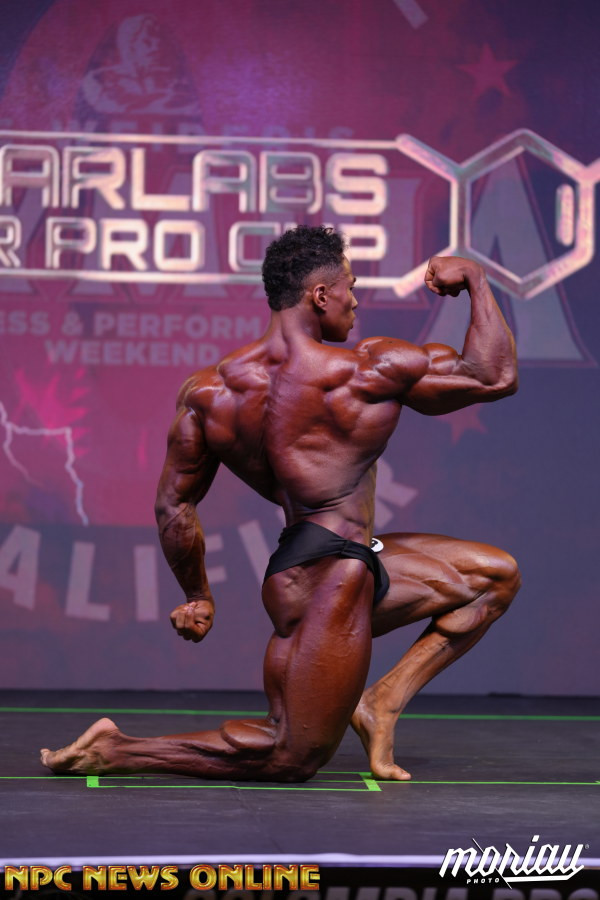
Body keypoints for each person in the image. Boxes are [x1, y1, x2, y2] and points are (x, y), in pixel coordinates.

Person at [41, 225, 521, 782]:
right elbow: (494, 374)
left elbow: (174, 505)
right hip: (325, 580)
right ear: (321, 295)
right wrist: (476, 279)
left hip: (339, 562)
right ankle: (118, 750)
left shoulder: (212, 391)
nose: (355, 301)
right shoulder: (367, 370)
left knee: (494, 577)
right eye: (350, 288)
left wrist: (197, 595)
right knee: (292, 754)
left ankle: (381, 702)